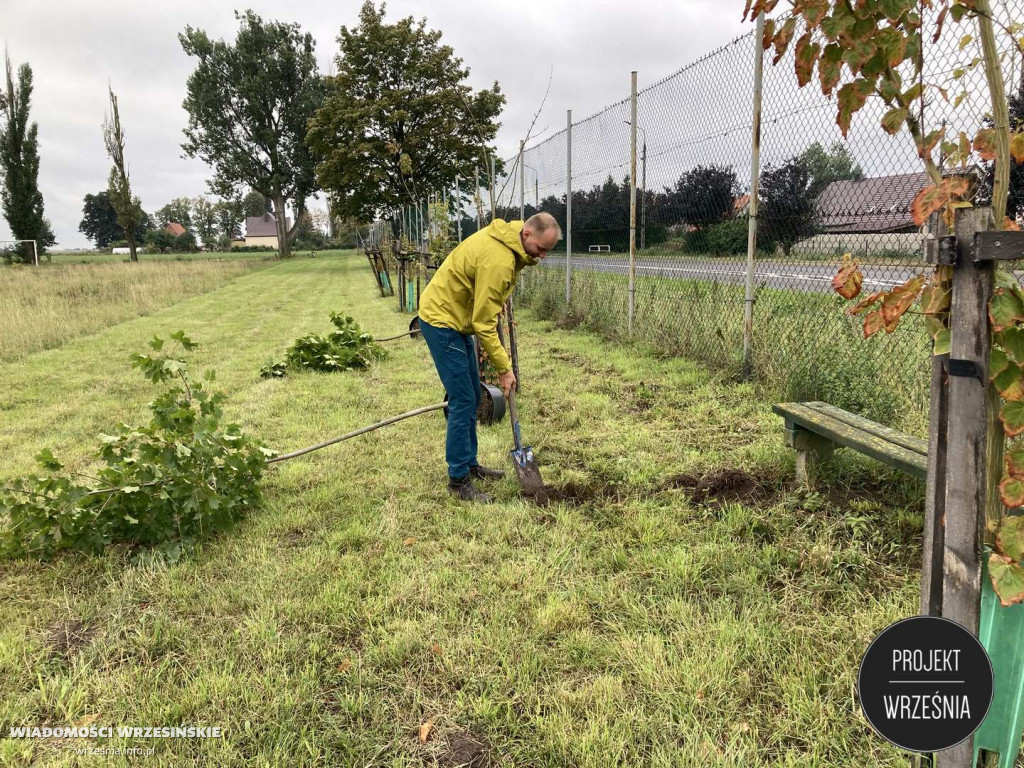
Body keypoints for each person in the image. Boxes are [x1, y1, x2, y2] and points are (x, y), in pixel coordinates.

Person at [417, 212, 562, 502]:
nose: (543, 256)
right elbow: (484, 323)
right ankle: (458, 481)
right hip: (443, 321)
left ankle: (470, 465)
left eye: (549, 250)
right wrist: (504, 369)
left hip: (457, 318)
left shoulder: (509, 243)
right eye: (541, 249)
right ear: (527, 235)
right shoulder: (500, 259)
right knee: (462, 400)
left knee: (471, 394)